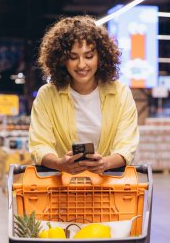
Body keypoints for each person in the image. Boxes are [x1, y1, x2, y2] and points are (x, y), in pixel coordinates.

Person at [29, 15, 139, 175]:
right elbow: (39, 144)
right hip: (61, 190)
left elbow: (127, 145)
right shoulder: (47, 95)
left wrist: (105, 163)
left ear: (100, 57)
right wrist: (60, 164)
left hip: (107, 190)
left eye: (89, 56)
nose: (81, 64)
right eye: (73, 57)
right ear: (61, 60)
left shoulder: (120, 94)